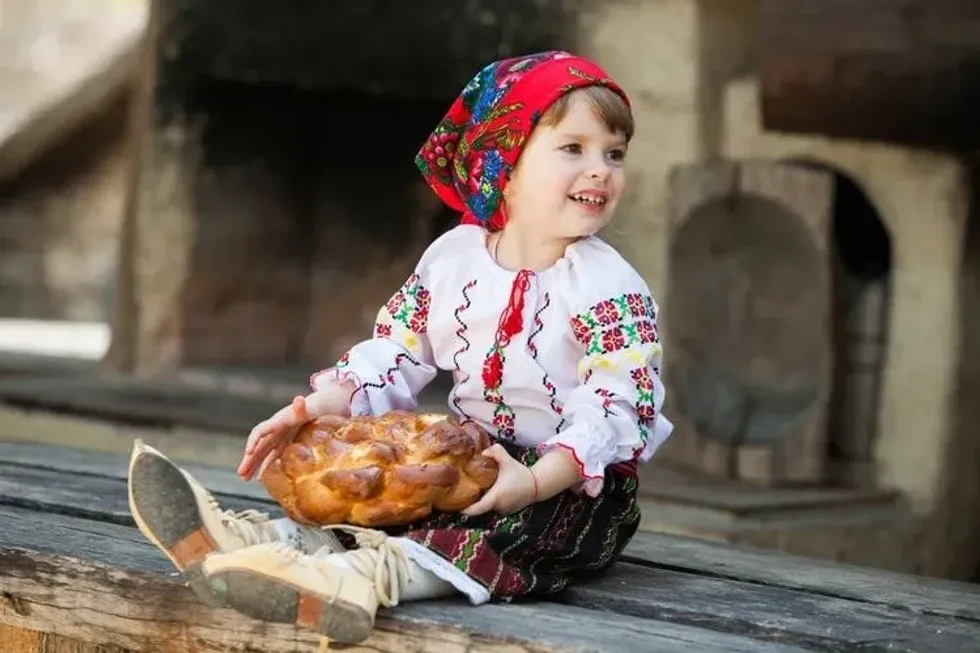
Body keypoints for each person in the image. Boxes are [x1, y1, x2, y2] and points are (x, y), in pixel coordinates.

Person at [127, 50, 673, 645]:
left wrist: (539, 480)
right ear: (505, 165)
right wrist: (317, 406)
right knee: (391, 493)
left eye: (613, 153)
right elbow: (397, 349)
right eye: (574, 148)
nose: (601, 170)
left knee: (503, 530)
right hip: (477, 458)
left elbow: (619, 403)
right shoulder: (455, 259)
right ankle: (265, 546)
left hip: (572, 487)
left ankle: (361, 580)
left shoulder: (606, 286)